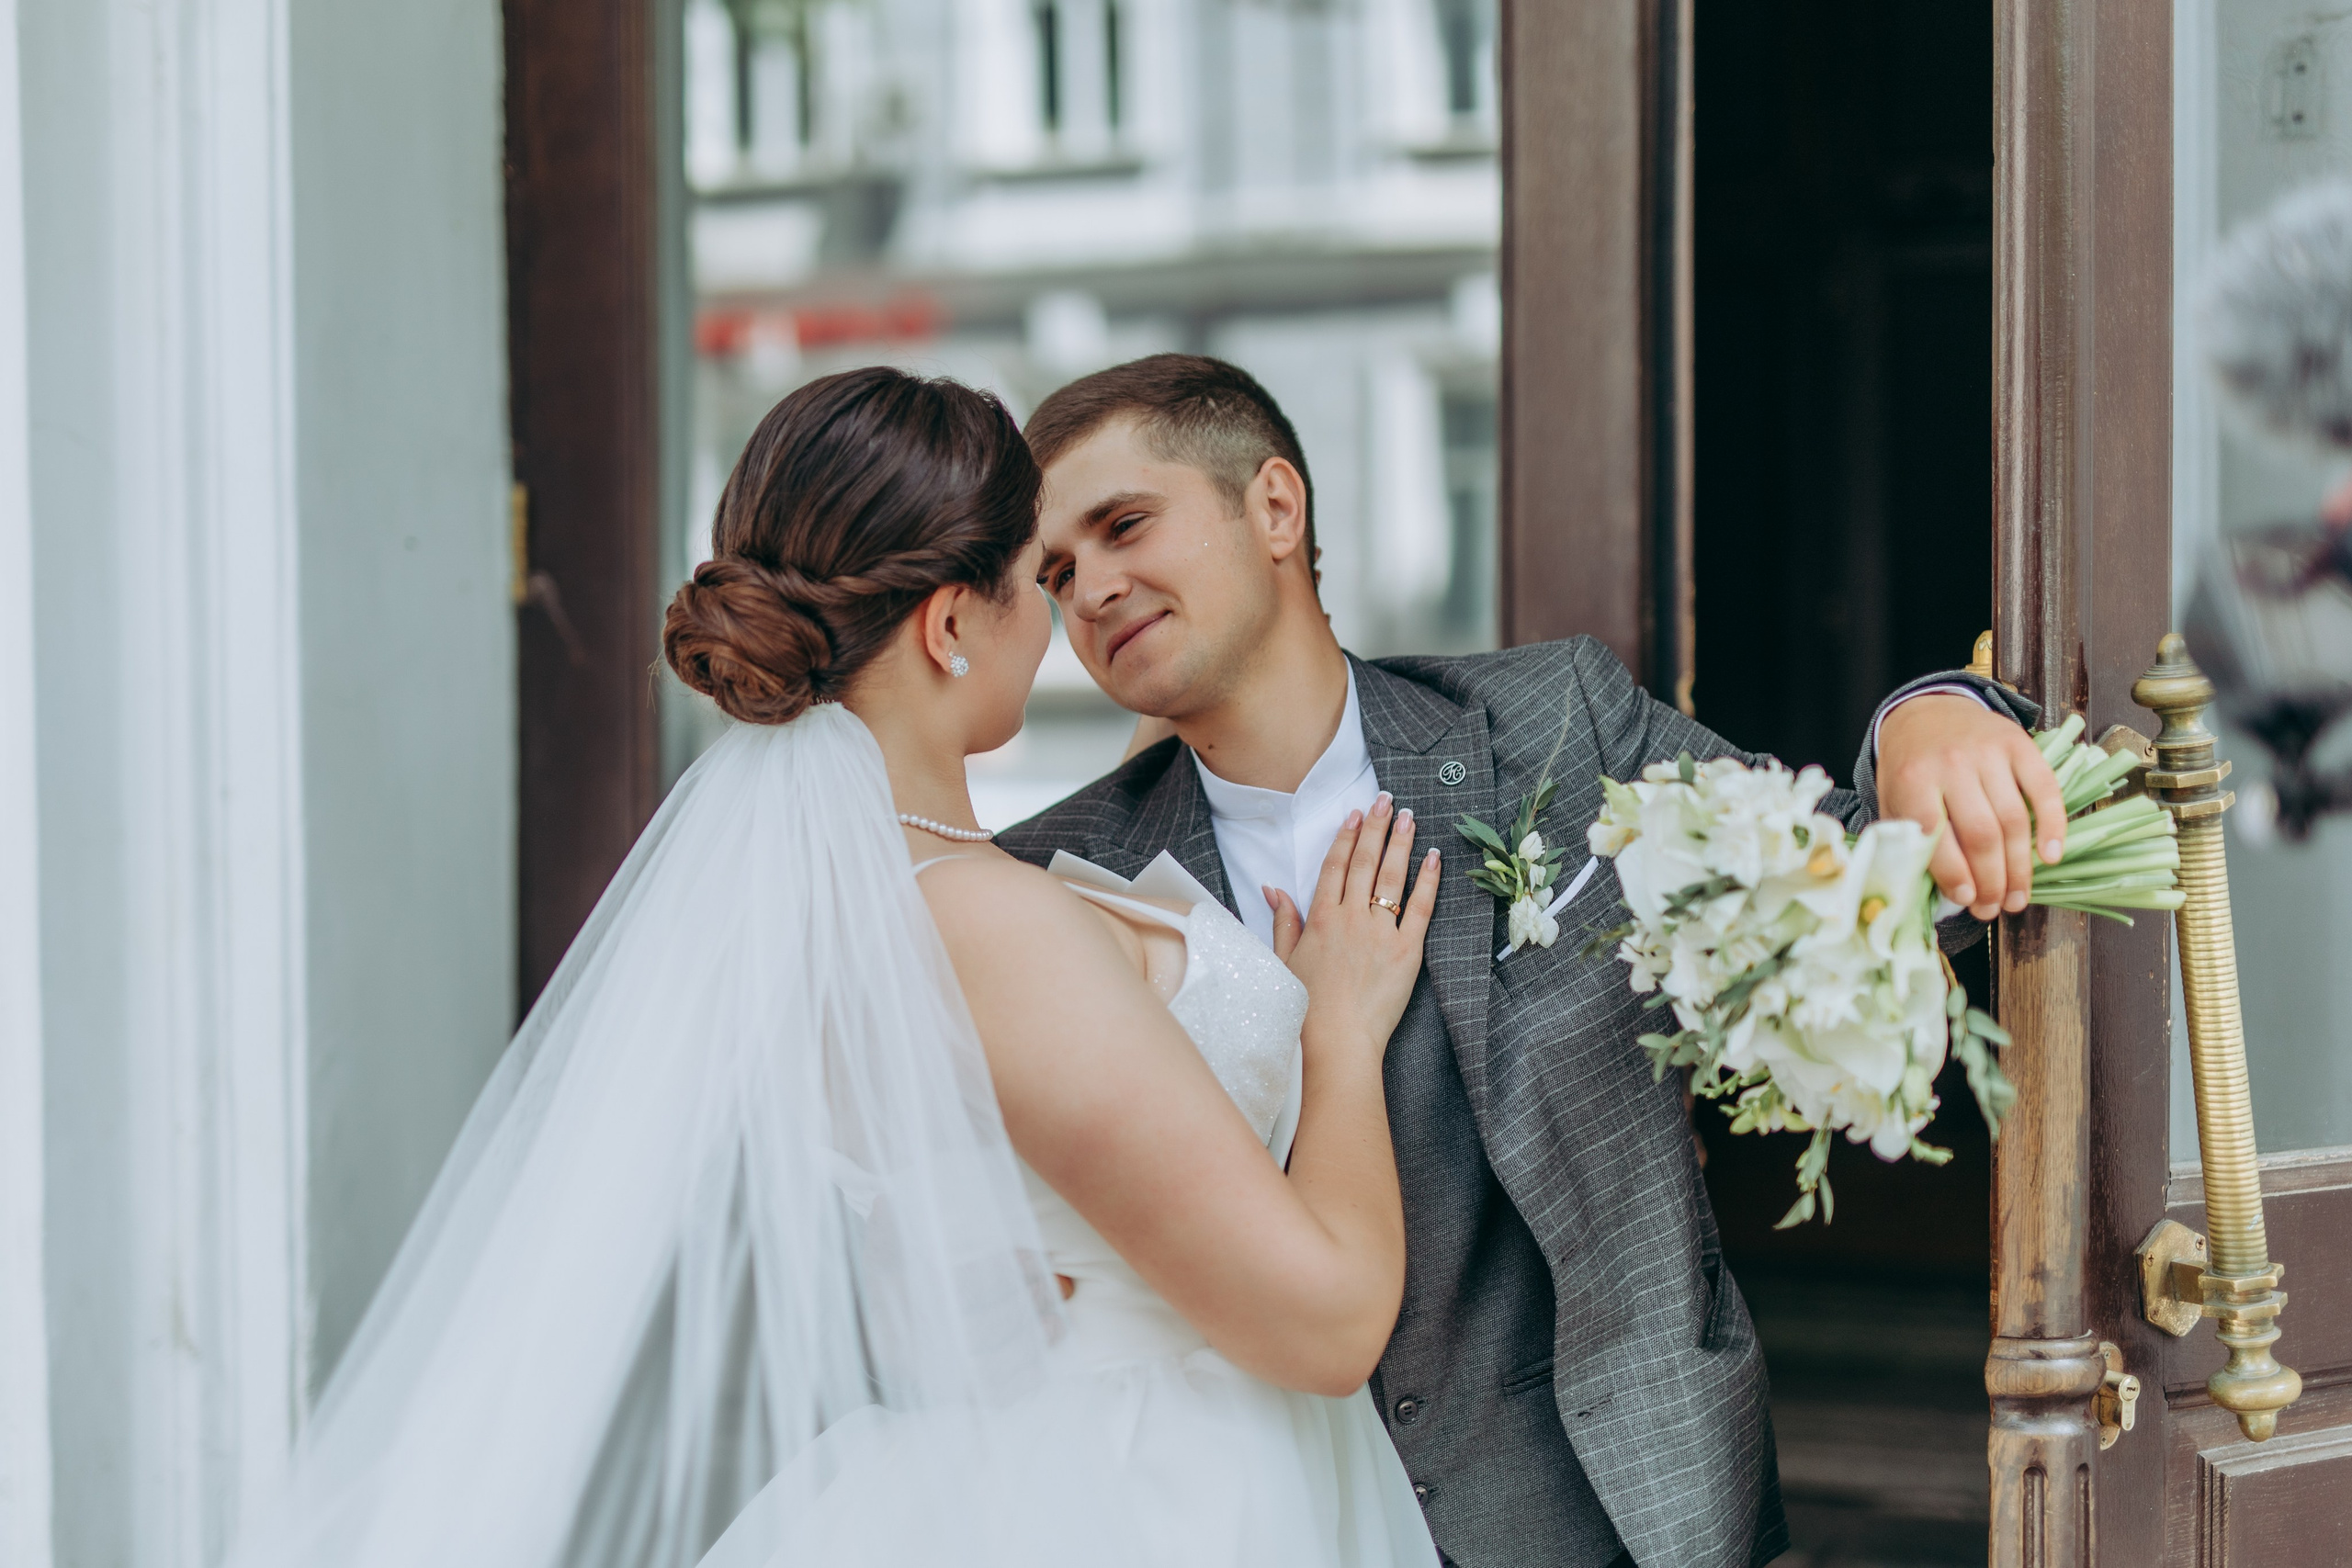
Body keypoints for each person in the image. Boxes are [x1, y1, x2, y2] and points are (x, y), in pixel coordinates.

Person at [222, 367, 1449, 1568]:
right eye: (1039, 580)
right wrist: (1340, 1033)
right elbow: (1328, 1322)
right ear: (951, 622)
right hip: (1160, 1496)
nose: (1067, 622)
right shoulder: (986, 928)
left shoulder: (842, 910)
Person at [996, 354, 2062, 1568]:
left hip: (1627, 1514)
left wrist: (1931, 714)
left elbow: (1863, 886)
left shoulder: (1557, 724)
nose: (1091, 591)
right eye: (1058, 573)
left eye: (1124, 525)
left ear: (1275, 508)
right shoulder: (1055, 880)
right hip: (1266, 1525)